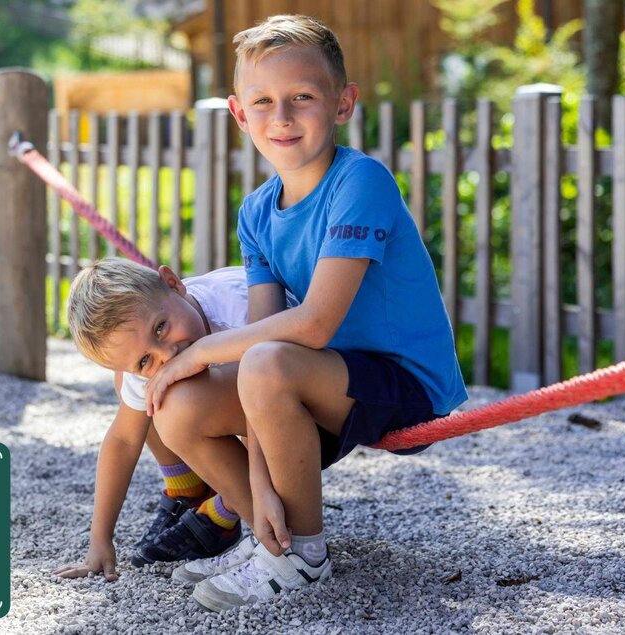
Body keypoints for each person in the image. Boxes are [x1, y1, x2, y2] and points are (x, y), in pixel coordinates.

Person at [141, 14, 468, 611]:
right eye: (262, 101)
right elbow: (256, 357)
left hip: (399, 383)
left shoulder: (360, 181)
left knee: (245, 361)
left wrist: (198, 353)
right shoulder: (257, 212)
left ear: (343, 104)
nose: (282, 117)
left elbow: (310, 325)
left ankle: (303, 558)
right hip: (319, 377)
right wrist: (259, 487)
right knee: (178, 408)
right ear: (239, 114)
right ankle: (271, 533)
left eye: (302, 97)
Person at [52, 258, 295, 581]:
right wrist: (100, 539)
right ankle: (194, 493)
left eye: (160, 327)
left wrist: (253, 489)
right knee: (142, 390)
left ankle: (244, 522)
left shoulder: (238, 309)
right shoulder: (152, 351)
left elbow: (267, 396)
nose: (166, 354)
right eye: (144, 359)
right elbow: (123, 440)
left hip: (307, 402)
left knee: (174, 394)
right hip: (252, 404)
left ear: (173, 283)